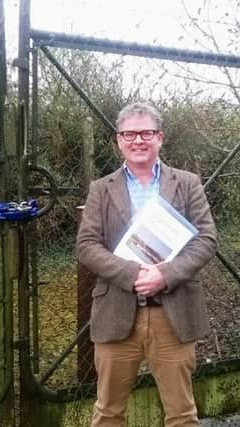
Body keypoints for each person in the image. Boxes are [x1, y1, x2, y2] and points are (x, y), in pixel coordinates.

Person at [76, 102, 217, 427]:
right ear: (118, 140)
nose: (137, 140)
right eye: (129, 134)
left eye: (146, 133)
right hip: (116, 312)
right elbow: (86, 246)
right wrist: (133, 274)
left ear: (160, 137)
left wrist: (165, 275)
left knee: (182, 414)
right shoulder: (101, 189)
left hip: (173, 314)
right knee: (109, 413)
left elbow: (206, 238)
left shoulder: (187, 183)